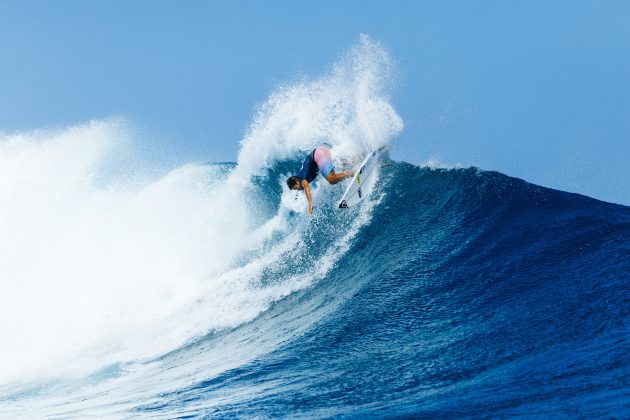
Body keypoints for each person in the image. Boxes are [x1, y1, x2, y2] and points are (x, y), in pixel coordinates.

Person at [286, 145, 354, 215]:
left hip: (319, 155)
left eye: (295, 188)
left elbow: (306, 187)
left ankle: (353, 173)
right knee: (347, 163)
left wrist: (310, 203)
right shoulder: (302, 175)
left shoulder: (303, 179)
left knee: (331, 179)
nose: (297, 189)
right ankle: (362, 156)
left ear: (297, 182)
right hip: (321, 150)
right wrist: (296, 198)